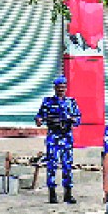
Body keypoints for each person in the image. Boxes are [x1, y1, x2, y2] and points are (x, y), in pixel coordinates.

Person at [35, 75, 82, 204]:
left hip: (66, 136)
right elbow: (39, 116)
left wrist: (72, 119)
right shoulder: (47, 102)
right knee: (52, 165)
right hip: (53, 136)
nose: (61, 89)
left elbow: (78, 119)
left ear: (66, 88)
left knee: (67, 165)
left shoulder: (71, 102)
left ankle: (68, 193)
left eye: (63, 87)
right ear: (54, 88)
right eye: (58, 87)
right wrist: (39, 120)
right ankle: (52, 193)